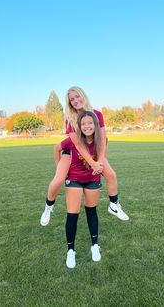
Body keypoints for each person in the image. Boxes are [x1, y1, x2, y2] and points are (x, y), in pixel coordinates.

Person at [40, 86, 129, 226]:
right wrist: (93, 164)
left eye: (77, 96)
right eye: (72, 99)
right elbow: (78, 145)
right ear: (69, 103)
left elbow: (103, 139)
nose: (75, 100)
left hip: (94, 151)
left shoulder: (97, 114)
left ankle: (114, 205)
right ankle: (48, 207)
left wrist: (99, 161)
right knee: (58, 181)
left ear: (83, 95)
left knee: (111, 176)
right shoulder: (69, 118)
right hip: (71, 152)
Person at [54, 111, 102, 268]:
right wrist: (60, 168)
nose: (87, 126)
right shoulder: (72, 141)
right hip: (74, 180)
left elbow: (102, 159)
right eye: (83, 124)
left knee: (91, 212)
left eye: (90, 123)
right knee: (72, 215)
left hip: (92, 180)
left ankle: (94, 246)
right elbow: (56, 149)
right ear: (79, 127)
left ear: (95, 124)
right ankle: (70, 251)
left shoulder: (101, 141)